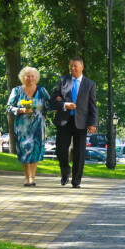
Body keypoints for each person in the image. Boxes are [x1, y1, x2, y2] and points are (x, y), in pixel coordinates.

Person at [50, 56, 98, 189]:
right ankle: (65, 170)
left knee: (79, 152)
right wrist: (64, 104)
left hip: (81, 122)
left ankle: (76, 180)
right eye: (71, 66)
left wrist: (93, 123)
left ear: (82, 67)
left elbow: (93, 106)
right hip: (64, 121)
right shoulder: (63, 80)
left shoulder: (90, 84)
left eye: (75, 66)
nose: (72, 68)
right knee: (60, 150)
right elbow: (53, 101)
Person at [6, 67, 52, 187]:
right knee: (24, 150)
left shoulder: (42, 90)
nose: (30, 78)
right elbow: (9, 107)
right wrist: (21, 110)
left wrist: (59, 101)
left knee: (36, 150)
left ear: (36, 77)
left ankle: (32, 177)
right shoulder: (16, 91)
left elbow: (49, 104)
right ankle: (26, 177)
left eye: (32, 76)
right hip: (22, 127)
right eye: (27, 76)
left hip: (38, 125)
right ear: (23, 77)